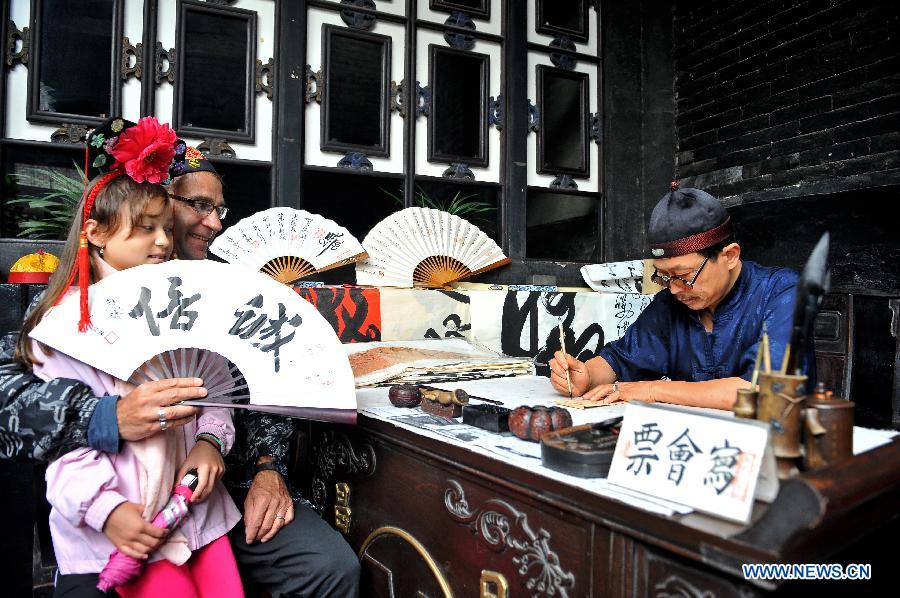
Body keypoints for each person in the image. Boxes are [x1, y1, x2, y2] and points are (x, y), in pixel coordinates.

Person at [0, 123, 360, 596]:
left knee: (328, 565)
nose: (214, 223)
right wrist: (105, 417)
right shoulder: (71, 307)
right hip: (121, 495)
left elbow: (261, 389)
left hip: (220, 487)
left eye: (219, 209)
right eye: (197, 206)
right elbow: (14, 403)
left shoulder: (227, 291)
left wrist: (267, 465)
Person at [17, 115, 243, 596]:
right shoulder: (64, 327)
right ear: (97, 233)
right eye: (145, 229)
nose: (163, 242)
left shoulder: (184, 301)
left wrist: (210, 440)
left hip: (196, 510)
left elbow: (215, 384)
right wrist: (107, 511)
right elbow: (61, 437)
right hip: (126, 520)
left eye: (165, 227)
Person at [550, 184, 815, 410]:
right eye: (664, 277)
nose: (674, 289)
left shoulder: (783, 292)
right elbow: (620, 359)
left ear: (730, 255)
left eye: (684, 275)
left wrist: (653, 391)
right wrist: (586, 376)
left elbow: (764, 393)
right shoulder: (670, 304)